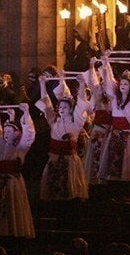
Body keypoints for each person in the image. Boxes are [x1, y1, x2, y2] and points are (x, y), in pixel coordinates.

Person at [0, 104, 36, 238]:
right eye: (5, 131)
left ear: (16, 133)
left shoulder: (21, 147)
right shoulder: (0, 144)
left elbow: (29, 133)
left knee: (12, 208)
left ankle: (13, 233)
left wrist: (26, 112)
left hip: (12, 183)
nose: (6, 134)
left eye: (9, 131)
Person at [37, 71, 92, 201]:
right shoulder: (54, 121)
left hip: (69, 162)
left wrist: (82, 83)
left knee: (70, 190)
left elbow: (81, 103)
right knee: (54, 192)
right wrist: (42, 84)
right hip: (54, 161)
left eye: (65, 107)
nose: (61, 109)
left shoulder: (76, 123)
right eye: (60, 107)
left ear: (71, 109)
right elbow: (46, 103)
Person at [98, 51, 130, 182]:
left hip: (127, 137)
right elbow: (109, 84)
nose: (122, 86)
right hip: (115, 136)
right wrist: (106, 62)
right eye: (121, 84)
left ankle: (128, 192)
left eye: (126, 84)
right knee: (114, 166)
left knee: (128, 166)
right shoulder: (115, 100)